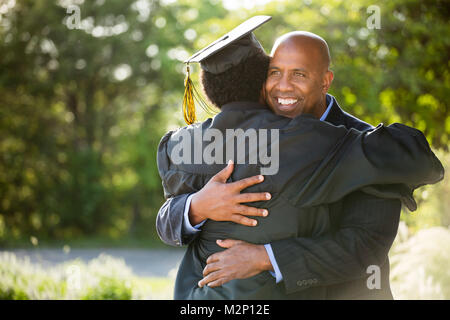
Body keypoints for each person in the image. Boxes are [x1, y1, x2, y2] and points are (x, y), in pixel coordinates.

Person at [157, 18, 444, 299]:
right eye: (274, 72)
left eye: (299, 74)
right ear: (260, 79)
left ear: (325, 81)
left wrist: (266, 257)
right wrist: (196, 206)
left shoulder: (362, 142)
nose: (283, 86)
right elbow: (167, 217)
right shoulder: (243, 138)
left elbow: (365, 248)